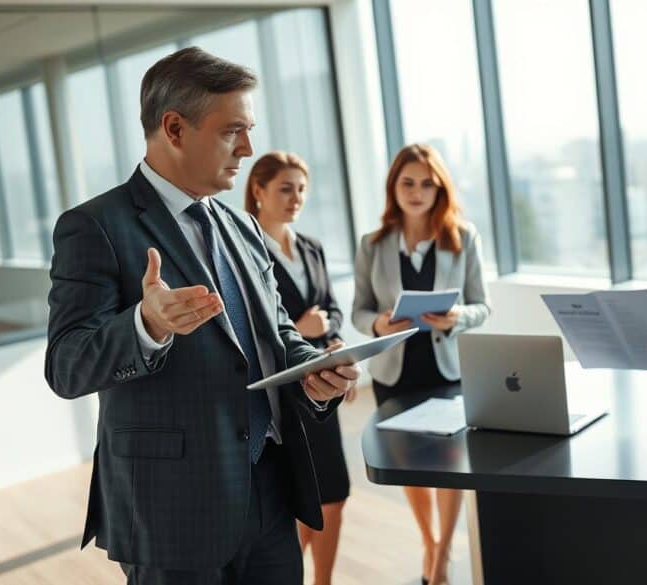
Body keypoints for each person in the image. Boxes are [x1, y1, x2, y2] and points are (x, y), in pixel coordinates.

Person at [44, 47, 359, 585]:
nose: (249, 148)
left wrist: (312, 372)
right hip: (172, 510)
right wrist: (146, 327)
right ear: (174, 128)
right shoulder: (94, 226)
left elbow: (278, 334)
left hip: (272, 495)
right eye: (232, 131)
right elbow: (67, 366)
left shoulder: (243, 228)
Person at [352, 143, 490, 585]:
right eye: (407, 182)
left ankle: (443, 553)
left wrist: (456, 317)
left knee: (450, 464)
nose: (416, 191)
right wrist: (376, 323)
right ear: (394, 186)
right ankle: (429, 541)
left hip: (446, 368)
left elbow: (482, 306)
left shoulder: (462, 237)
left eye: (426, 183)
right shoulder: (372, 245)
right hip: (395, 370)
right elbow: (359, 310)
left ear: (439, 188)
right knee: (408, 461)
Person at [244, 151, 351, 585]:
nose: (296, 198)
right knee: (301, 500)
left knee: (335, 496)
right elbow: (255, 327)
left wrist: (335, 342)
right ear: (259, 191)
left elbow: (333, 309)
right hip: (286, 396)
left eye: (301, 189)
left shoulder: (312, 248)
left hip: (323, 388)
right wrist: (303, 331)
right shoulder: (247, 253)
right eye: (285, 188)